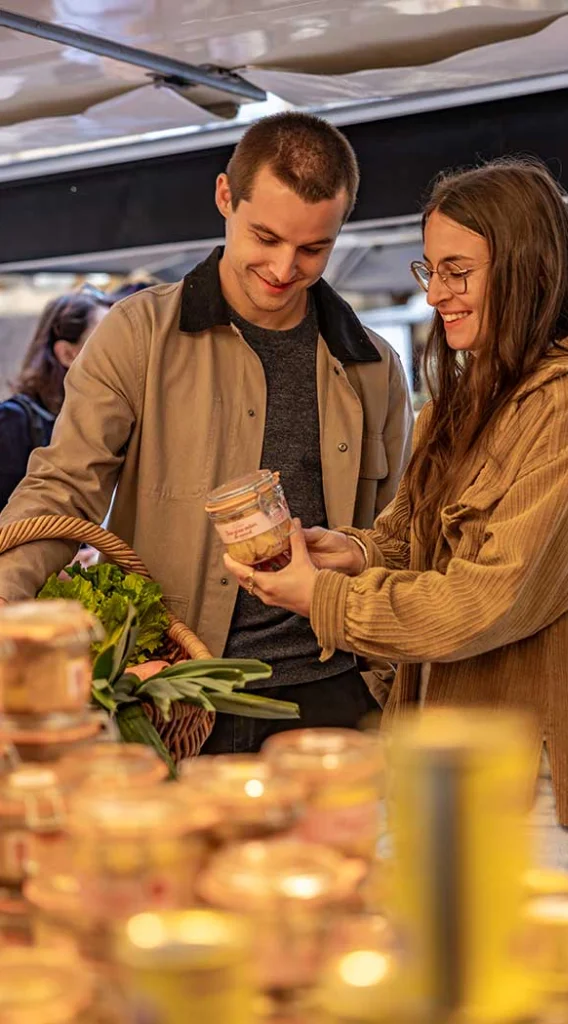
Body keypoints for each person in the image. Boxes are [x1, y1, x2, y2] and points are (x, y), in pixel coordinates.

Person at [223, 157, 568, 892]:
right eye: (431, 270)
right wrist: (345, 552)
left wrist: (320, 600)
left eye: (459, 271)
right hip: (457, 770)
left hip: (546, 793)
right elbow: (408, 536)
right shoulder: (463, 396)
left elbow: (487, 601)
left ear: (527, 270)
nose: (437, 293)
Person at [0, 112, 413, 753]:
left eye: (312, 248)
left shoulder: (375, 366)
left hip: (339, 696)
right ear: (225, 196)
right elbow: (62, 488)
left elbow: (397, 536)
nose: (283, 268)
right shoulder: (138, 334)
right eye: (266, 237)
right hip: (177, 695)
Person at [0, 291, 109, 512]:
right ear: (67, 354)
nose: (118, 355)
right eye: (105, 345)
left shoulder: (104, 423)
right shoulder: (14, 421)